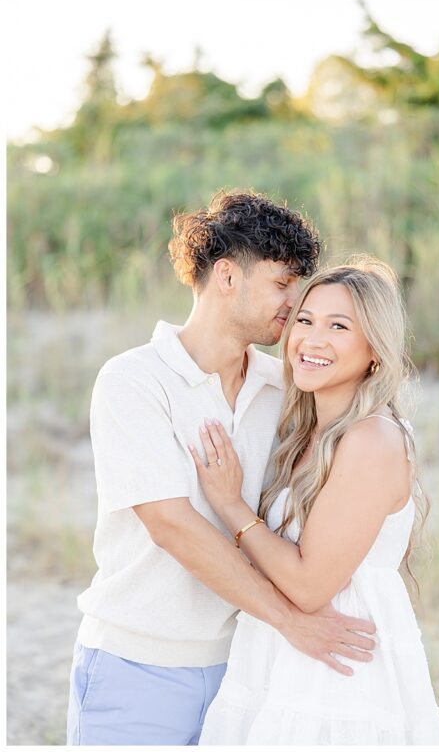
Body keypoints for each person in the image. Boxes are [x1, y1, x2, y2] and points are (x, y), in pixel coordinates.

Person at [68, 191, 378, 746]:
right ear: (228, 277)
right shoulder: (134, 381)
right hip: (139, 666)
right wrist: (291, 620)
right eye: (282, 284)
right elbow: (171, 525)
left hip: (248, 667)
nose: (293, 303)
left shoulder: (283, 387)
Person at [193, 258, 439, 745]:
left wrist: (232, 507)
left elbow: (311, 587)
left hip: (335, 667)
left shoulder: (373, 438)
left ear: (374, 351)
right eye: (305, 321)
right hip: (282, 651)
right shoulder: (308, 433)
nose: (312, 340)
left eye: (338, 326)